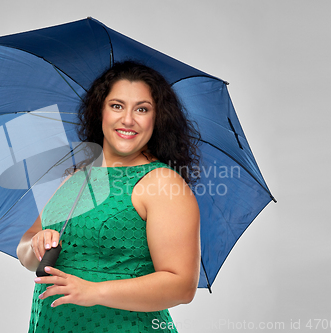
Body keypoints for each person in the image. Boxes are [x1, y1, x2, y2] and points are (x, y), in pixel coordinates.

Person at [17, 61, 201, 332]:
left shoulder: (161, 183)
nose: (128, 119)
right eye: (117, 106)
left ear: (157, 118)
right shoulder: (75, 177)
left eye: (142, 109)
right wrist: (36, 243)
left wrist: (95, 292)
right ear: (99, 111)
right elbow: (26, 250)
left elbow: (181, 286)